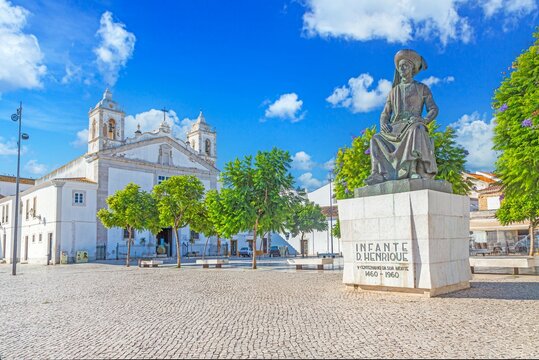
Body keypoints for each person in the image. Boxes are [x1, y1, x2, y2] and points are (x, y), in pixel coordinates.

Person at [366, 49, 439, 185]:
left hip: (414, 124)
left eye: (405, 65)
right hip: (396, 127)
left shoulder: (422, 88)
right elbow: (385, 113)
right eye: (400, 67)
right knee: (376, 138)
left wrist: (424, 120)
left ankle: (412, 170)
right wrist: (383, 123)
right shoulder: (394, 91)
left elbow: (433, 109)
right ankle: (378, 173)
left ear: (412, 68)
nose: (402, 68)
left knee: (415, 130)